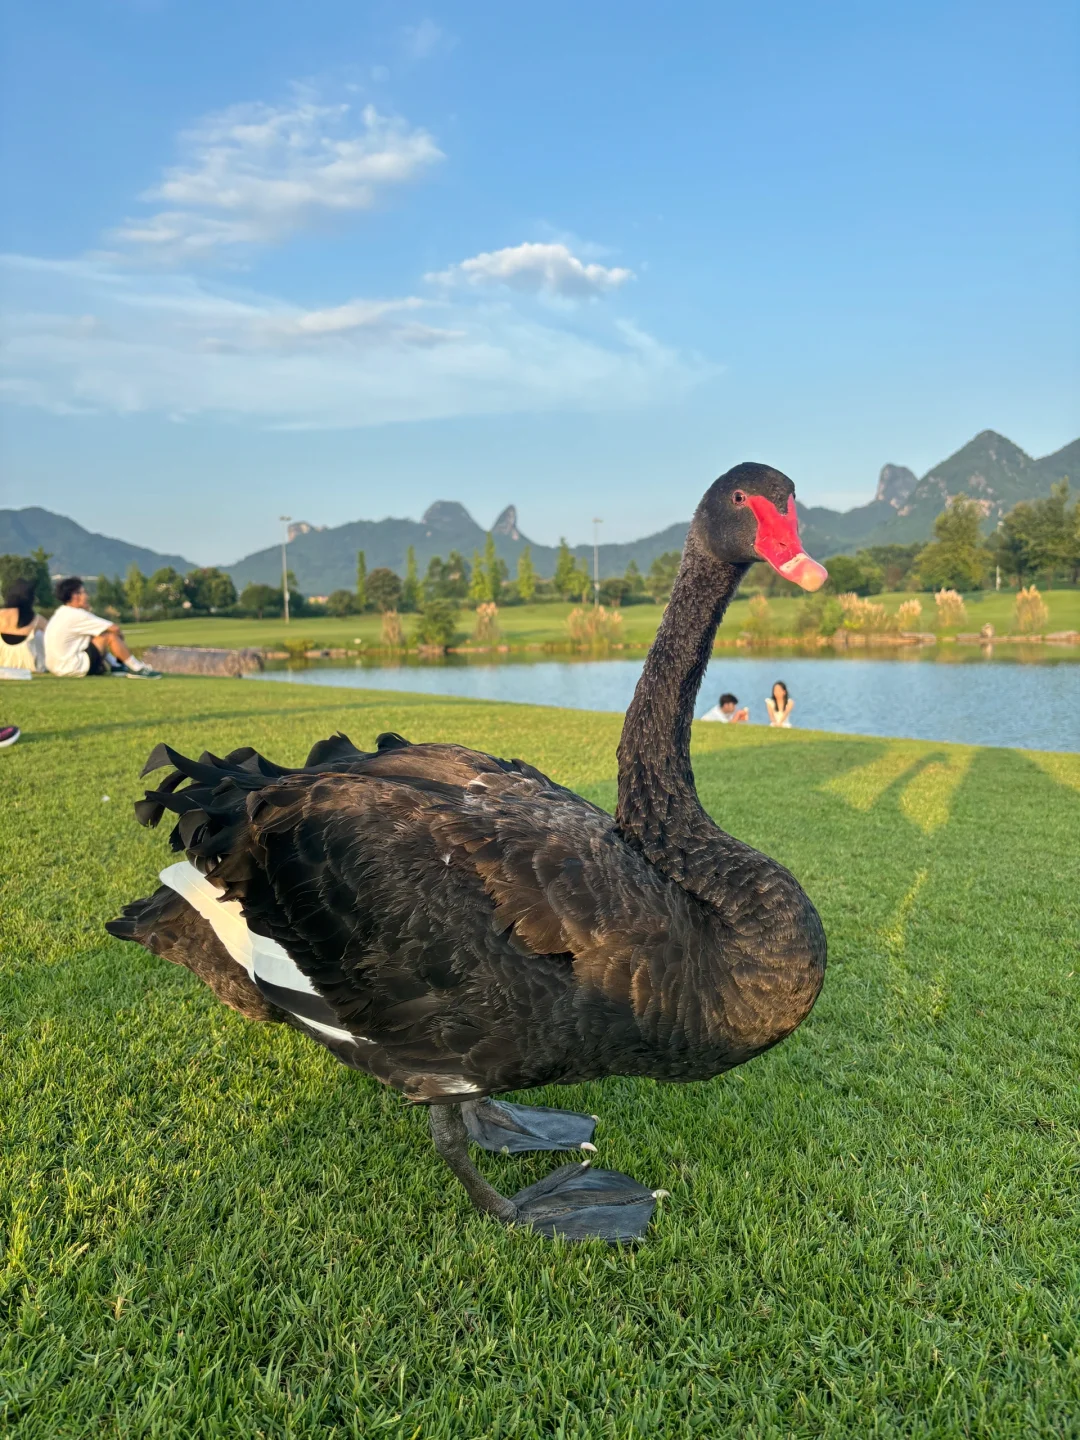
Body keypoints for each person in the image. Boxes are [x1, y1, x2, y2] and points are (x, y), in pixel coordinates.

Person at [44, 577, 160, 678]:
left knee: (95, 635)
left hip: (56, 667)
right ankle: (137, 668)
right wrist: (120, 640)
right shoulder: (77, 614)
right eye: (84, 592)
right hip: (71, 667)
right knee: (109, 636)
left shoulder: (60, 613)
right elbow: (114, 628)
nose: (87, 596)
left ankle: (116, 666)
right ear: (75, 596)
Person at [0, 576, 47, 672]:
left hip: (3, 664)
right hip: (30, 666)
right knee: (40, 635)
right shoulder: (38, 620)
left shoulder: (1, 615)